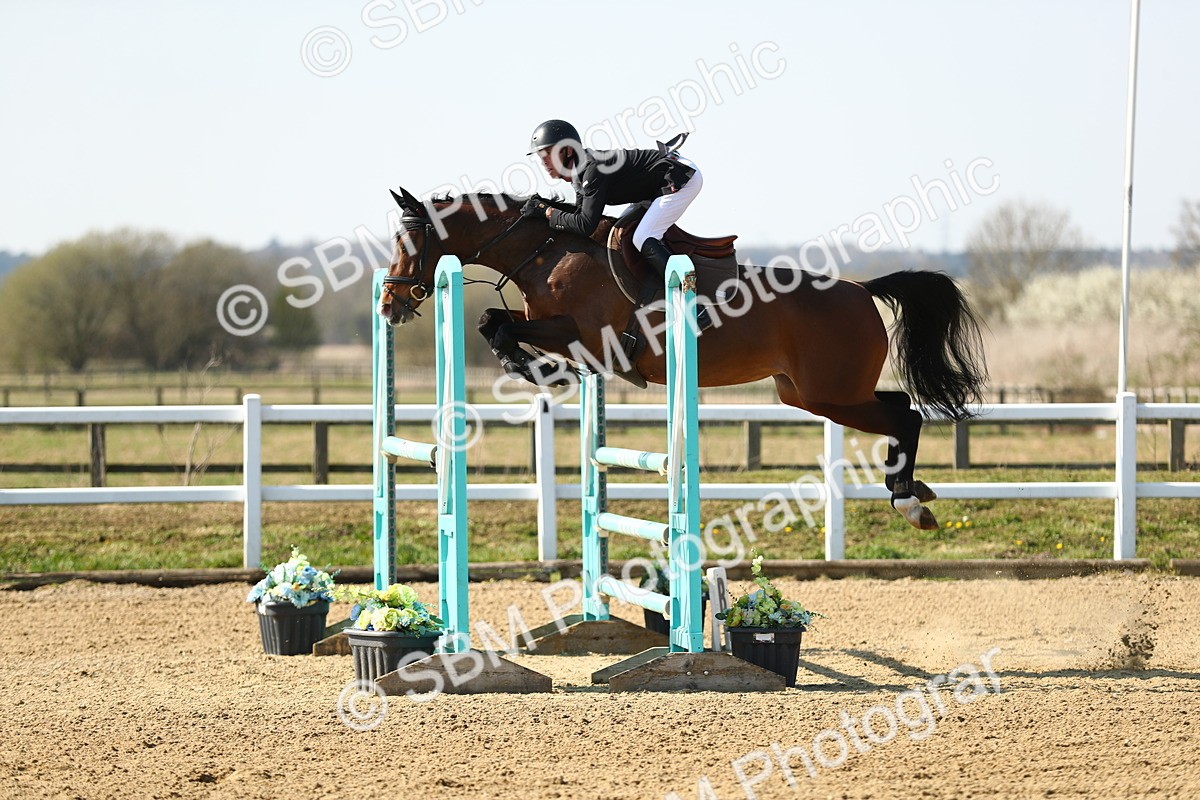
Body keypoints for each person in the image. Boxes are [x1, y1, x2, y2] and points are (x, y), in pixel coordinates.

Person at [523, 119, 703, 277]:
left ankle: (691, 298)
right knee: (620, 233)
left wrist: (546, 212)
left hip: (678, 176)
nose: (544, 161)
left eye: (548, 153)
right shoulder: (580, 172)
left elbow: (586, 225)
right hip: (653, 187)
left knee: (642, 236)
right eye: (540, 155)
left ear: (568, 150)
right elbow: (578, 215)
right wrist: (546, 209)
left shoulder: (592, 170)